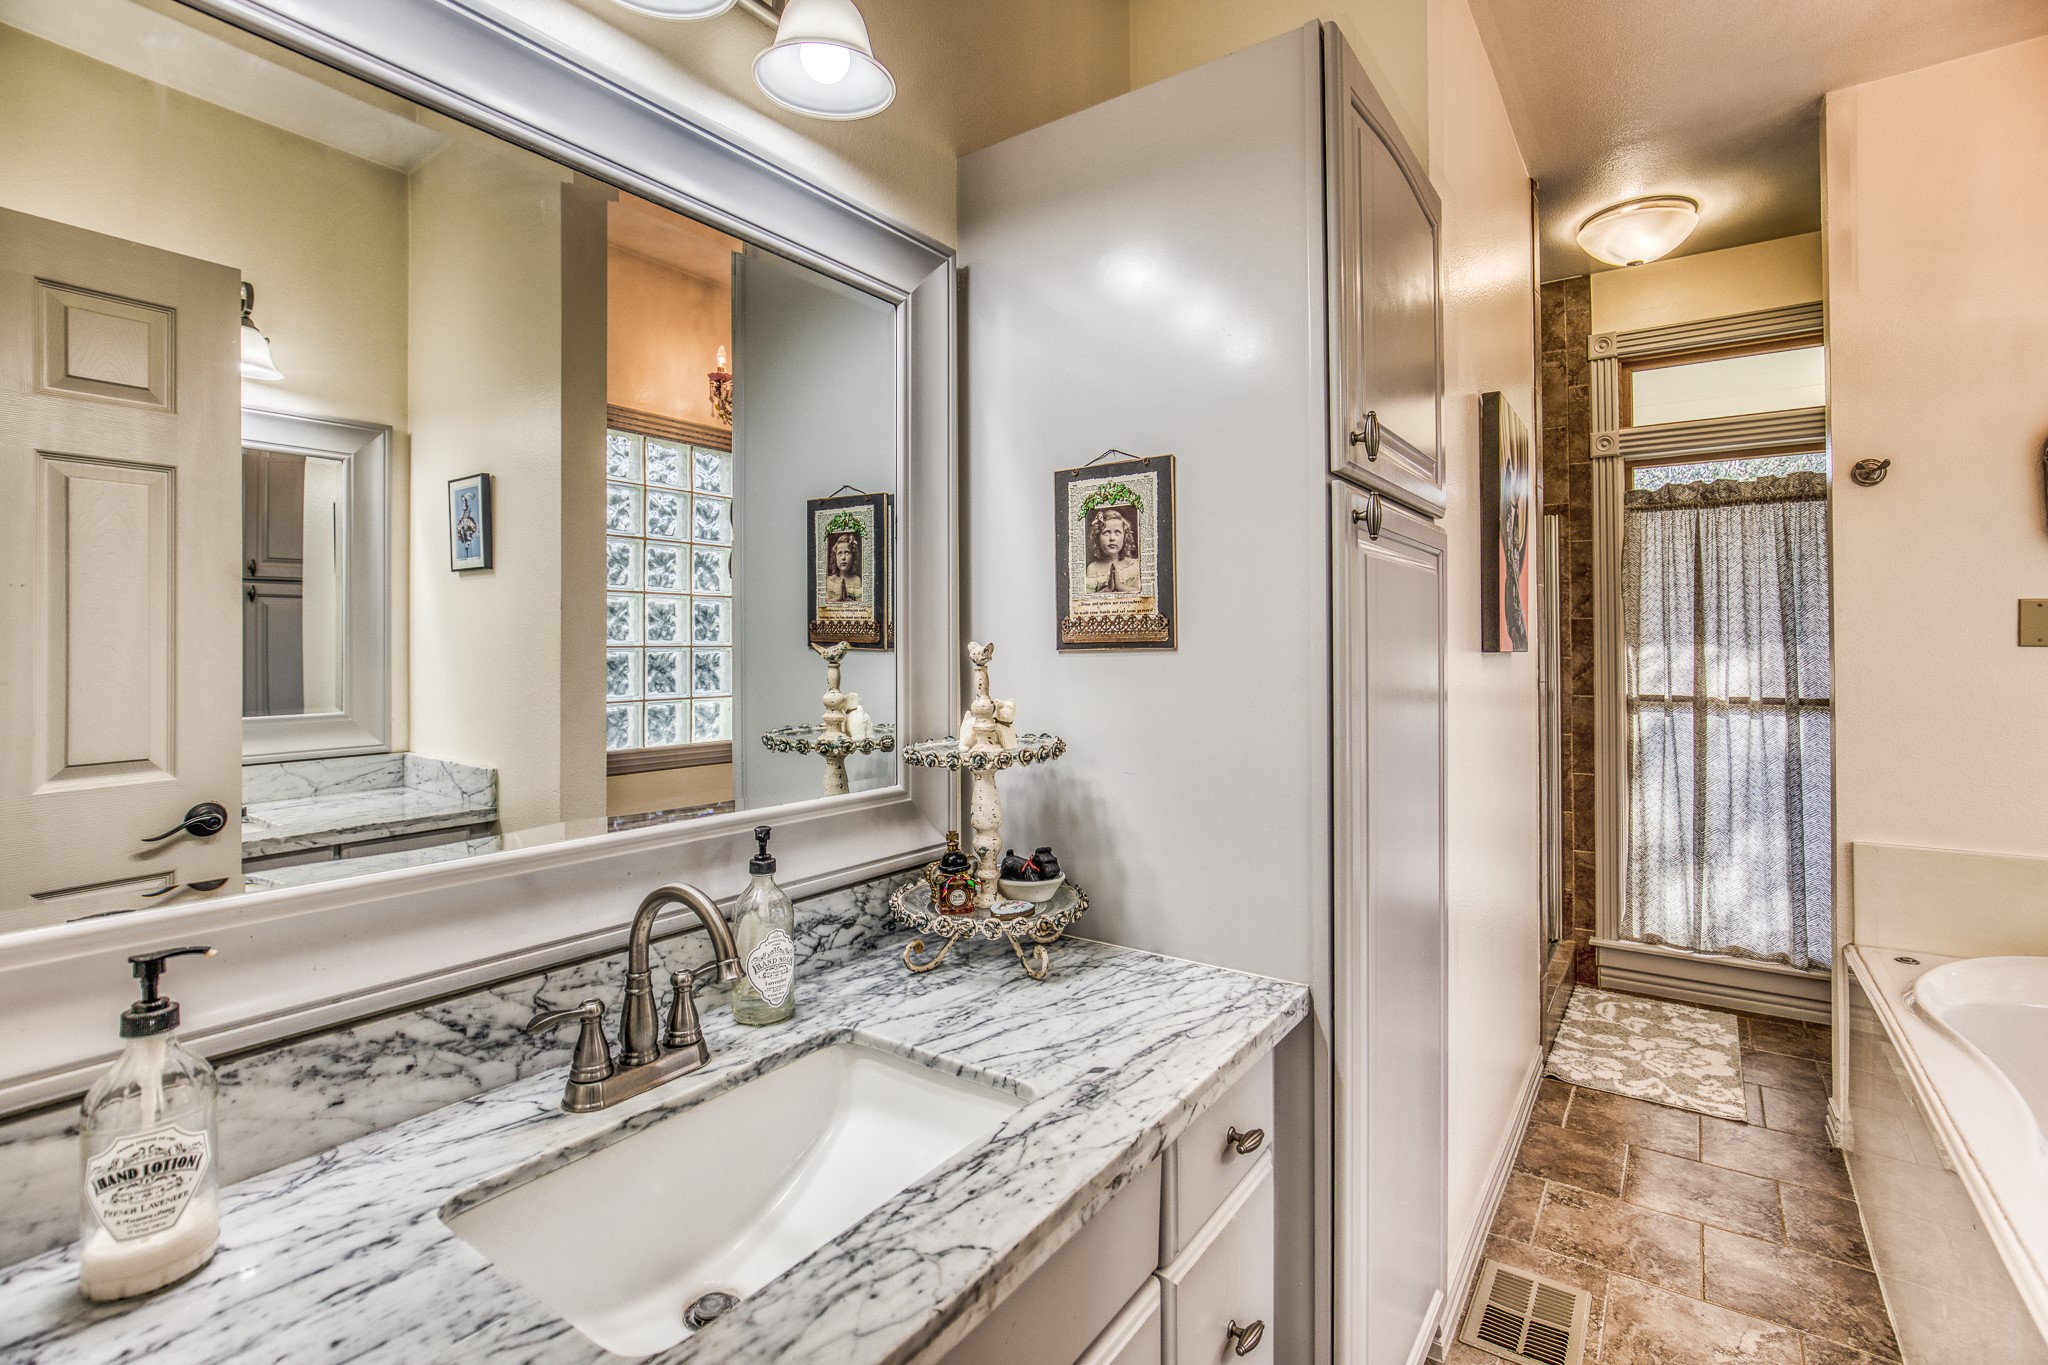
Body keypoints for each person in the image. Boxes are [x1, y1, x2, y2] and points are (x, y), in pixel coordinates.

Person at [1084, 506, 1140, 594]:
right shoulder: (1093, 568)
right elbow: (1086, 601)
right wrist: (1107, 589)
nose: (1112, 538)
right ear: (1098, 538)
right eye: (1106, 533)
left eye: (1117, 532)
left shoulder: (1134, 565)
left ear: (1124, 537)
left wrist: (1120, 588)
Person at [825, 531, 862, 602]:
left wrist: (847, 599)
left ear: (853, 557)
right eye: (840, 553)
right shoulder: (829, 581)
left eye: (847, 553)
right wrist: (839, 598)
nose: (843, 557)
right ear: (835, 558)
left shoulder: (856, 580)